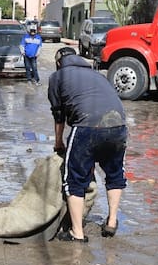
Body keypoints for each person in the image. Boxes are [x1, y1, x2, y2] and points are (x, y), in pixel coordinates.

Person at [47, 47, 127, 242]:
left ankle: (77, 232)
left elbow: (59, 115)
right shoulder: (97, 75)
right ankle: (112, 221)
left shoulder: (58, 76)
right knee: (115, 174)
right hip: (118, 125)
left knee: (74, 180)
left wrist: (58, 142)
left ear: (59, 63)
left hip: (86, 127)